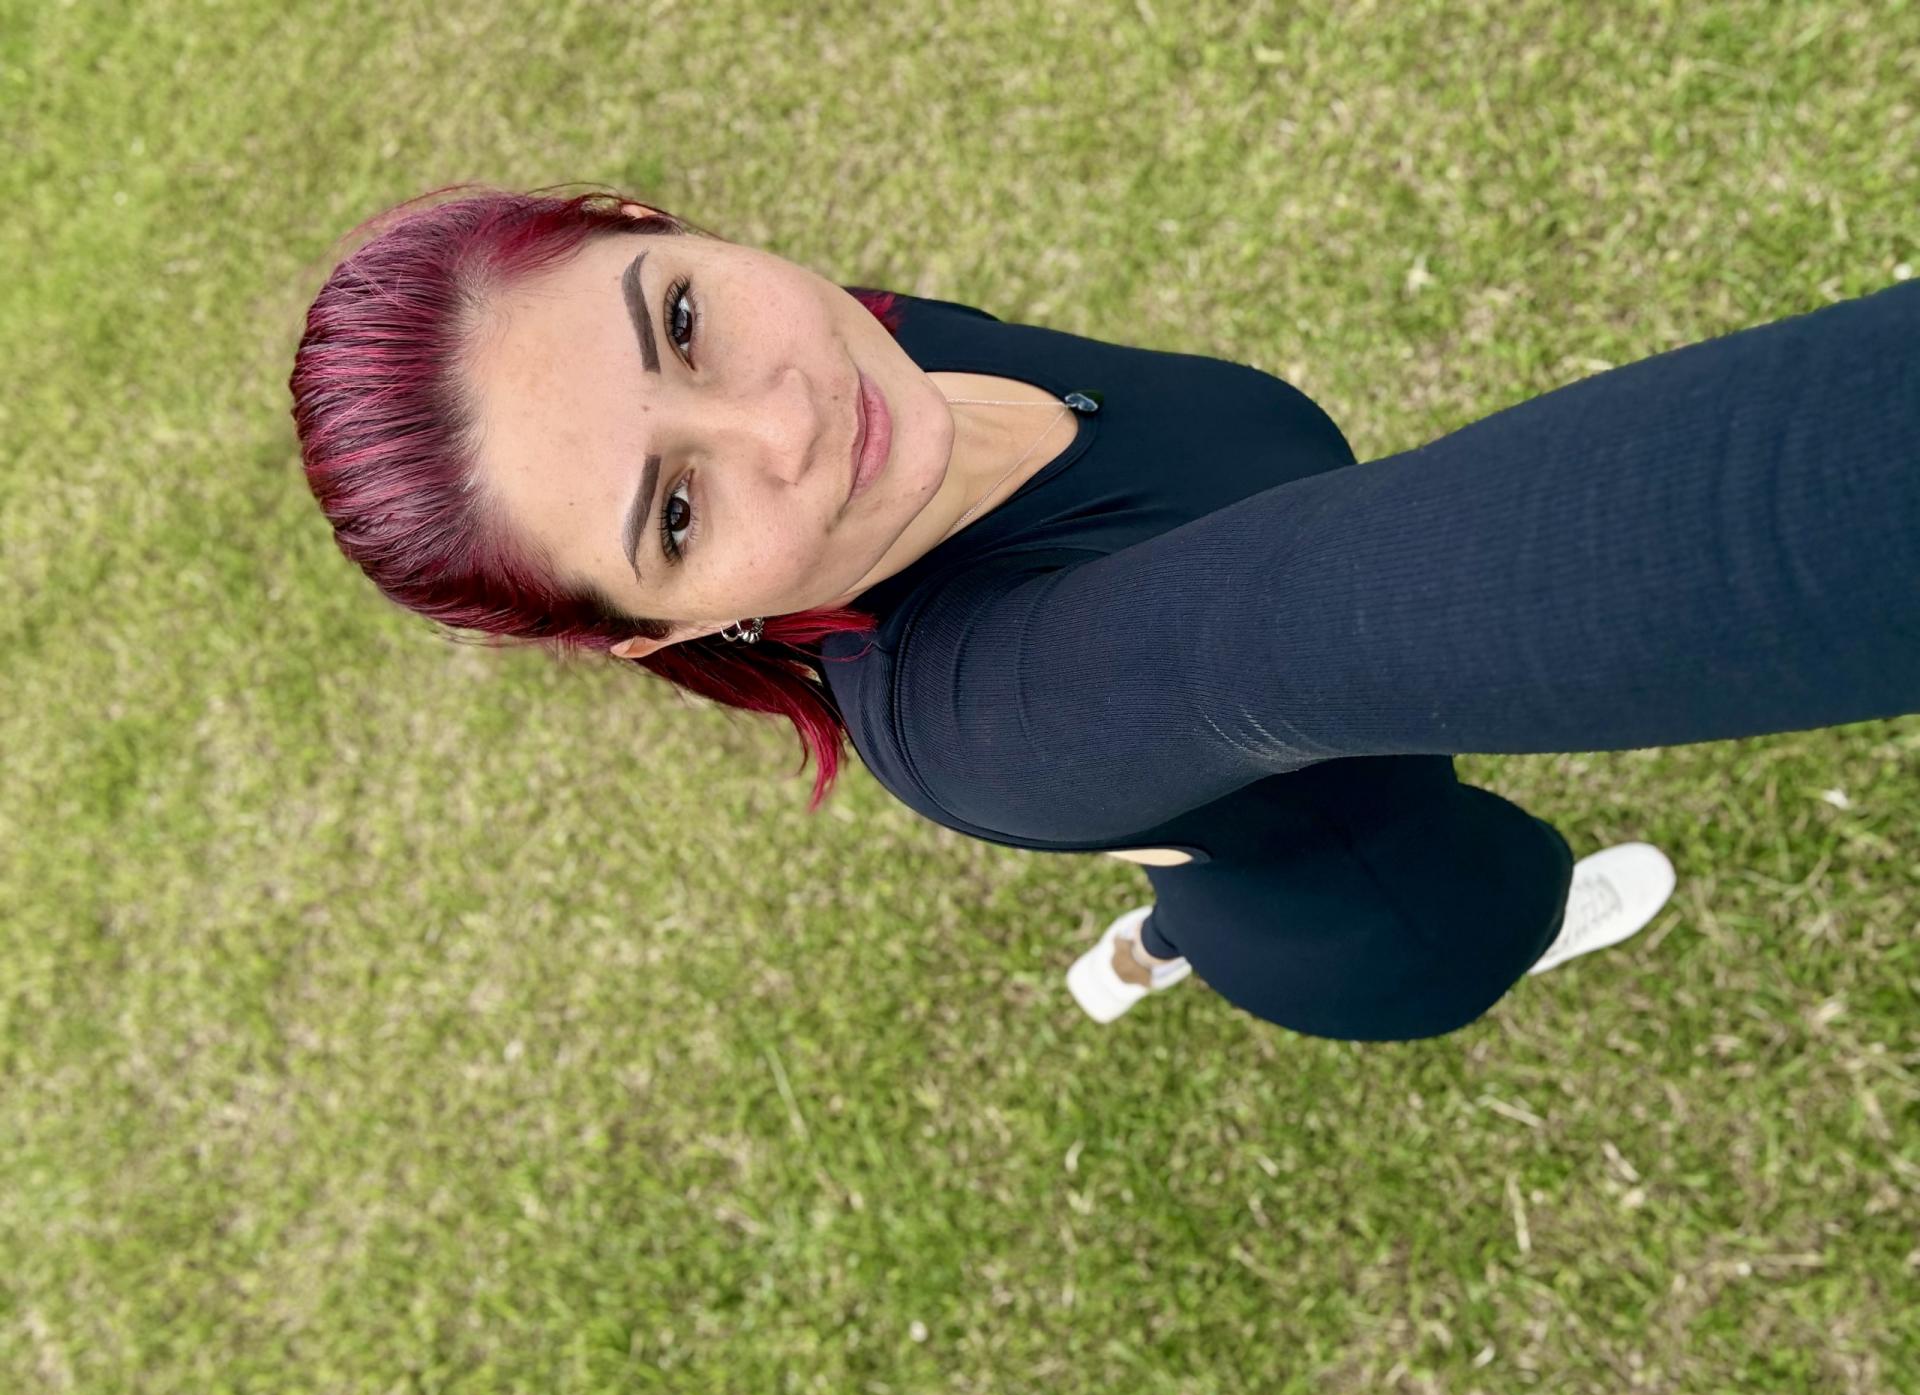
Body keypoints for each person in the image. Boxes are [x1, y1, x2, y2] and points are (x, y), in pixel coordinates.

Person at [289, 185, 1918, 1043]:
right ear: (659, 633)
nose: (783, 417)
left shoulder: (880, 349)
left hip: (1192, 799)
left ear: (666, 230)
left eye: (686, 324)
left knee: (1188, 842)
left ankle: (1160, 922)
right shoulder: (1008, 713)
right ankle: (1212, 921)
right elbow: (1721, 534)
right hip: (1382, 912)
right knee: (1493, 893)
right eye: (676, 512)